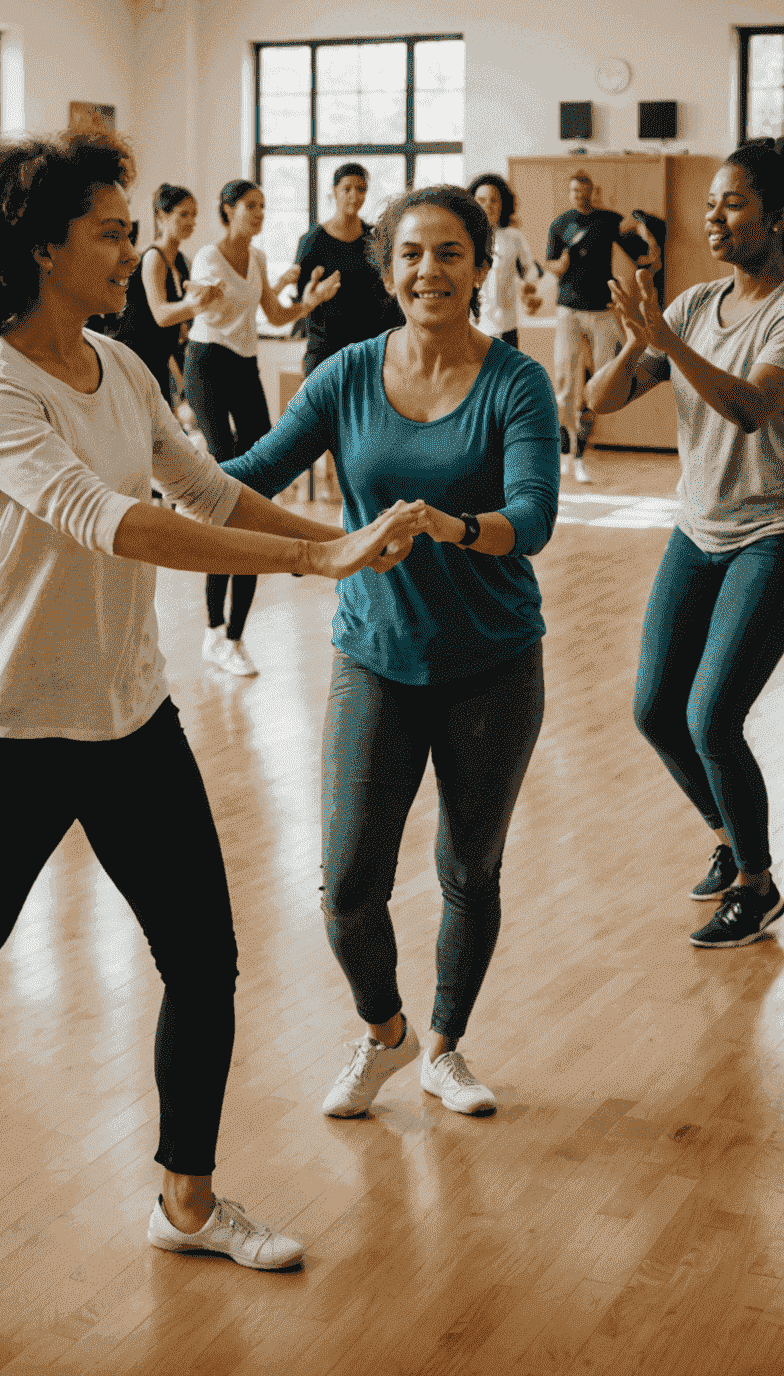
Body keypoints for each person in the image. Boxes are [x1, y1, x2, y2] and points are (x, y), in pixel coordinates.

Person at [0, 128, 425, 1271]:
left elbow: (205, 490)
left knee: (204, 958)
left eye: (131, 229)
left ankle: (186, 1202)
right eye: (109, 231)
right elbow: (115, 518)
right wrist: (312, 566)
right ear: (41, 246)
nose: (131, 248)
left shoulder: (122, 365)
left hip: (132, 719)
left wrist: (335, 540)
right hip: (13, 730)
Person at [223, 184, 559, 1120]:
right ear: (387, 268)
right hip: (374, 653)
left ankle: (447, 1048)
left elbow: (533, 518)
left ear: (481, 269)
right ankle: (386, 1034)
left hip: (491, 663)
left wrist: (451, 526)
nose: (429, 271)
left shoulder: (515, 382)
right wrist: (148, 475)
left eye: (451, 253)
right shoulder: (345, 376)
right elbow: (251, 474)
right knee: (347, 888)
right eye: (411, 254)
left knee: (467, 873)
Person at [589, 136, 784, 950]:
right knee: (655, 709)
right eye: (711, 202)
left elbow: (747, 407)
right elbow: (599, 400)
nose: (714, 214)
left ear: (777, 216)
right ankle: (729, 834)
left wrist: (667, 343)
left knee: (711, 716)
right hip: (699, 531)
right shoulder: (697, 304)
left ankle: (757, 885)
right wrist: (638, 336)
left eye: (732, 202)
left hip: (780, 536)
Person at [185, 178, 341, 677]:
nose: (259, 213)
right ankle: (213, 629)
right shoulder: (209, 258)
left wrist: (311, 300)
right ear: (227, 210)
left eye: (263, 206)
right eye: (250, 206)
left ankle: (234, 636)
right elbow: (200, 303)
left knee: (261, 485)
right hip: (207, 364)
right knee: (226, 480)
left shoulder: (257, 258)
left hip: (245, 366)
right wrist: (198, 298)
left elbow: (275, 313)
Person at [543, 172, 652, 483]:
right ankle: (566, 451)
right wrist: (558, 266)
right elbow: (550, 263)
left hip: (602, 311)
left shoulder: (609, 220)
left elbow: (641, 255)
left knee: (602, 381)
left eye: (585, 190)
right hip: (568, 310)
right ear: (570, 193)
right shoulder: (560, 225)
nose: (580, 196)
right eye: (575, 191)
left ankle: (580, 453)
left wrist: (646, 233)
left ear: (593, 191)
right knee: (563, 381)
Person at [115, 183, 220, 406]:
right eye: (184, 214)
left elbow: (179, 323)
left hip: (160, 358)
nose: (191, 222)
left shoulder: (181, 261)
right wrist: (196, 305)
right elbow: (161, 315)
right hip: (136, 358)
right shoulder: (153, 257)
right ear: (162, 216)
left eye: (194, 215)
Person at [294, 163, 402, 378]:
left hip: (370, 348)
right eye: (347, 189)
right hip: (326, 349)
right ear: (334, 191)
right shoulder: (313, 240)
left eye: (361, 189)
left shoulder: (375, 238)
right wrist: (315, 293)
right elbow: (301, 299)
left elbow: (389, 289)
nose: (354, 196)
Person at [468, 171, 541, 351]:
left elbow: (529, 271)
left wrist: (528, 288)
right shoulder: (464, 237)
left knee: (506, 377)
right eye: (482, 200)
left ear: (503, 204)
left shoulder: (514, 238)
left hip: (506, 325)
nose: (488, 206)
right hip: (471, 326)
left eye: (494, 200)